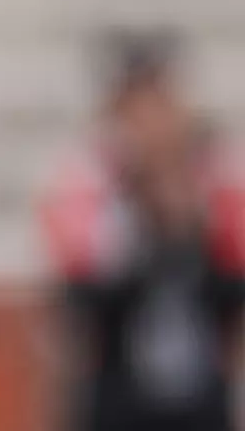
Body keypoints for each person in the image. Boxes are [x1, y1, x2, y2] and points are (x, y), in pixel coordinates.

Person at [41, 31, 245, 431]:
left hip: (202, 396)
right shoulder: (91, 177)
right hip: (116, 393)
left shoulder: (215, 173)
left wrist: (192, 220)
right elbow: (77, 282)